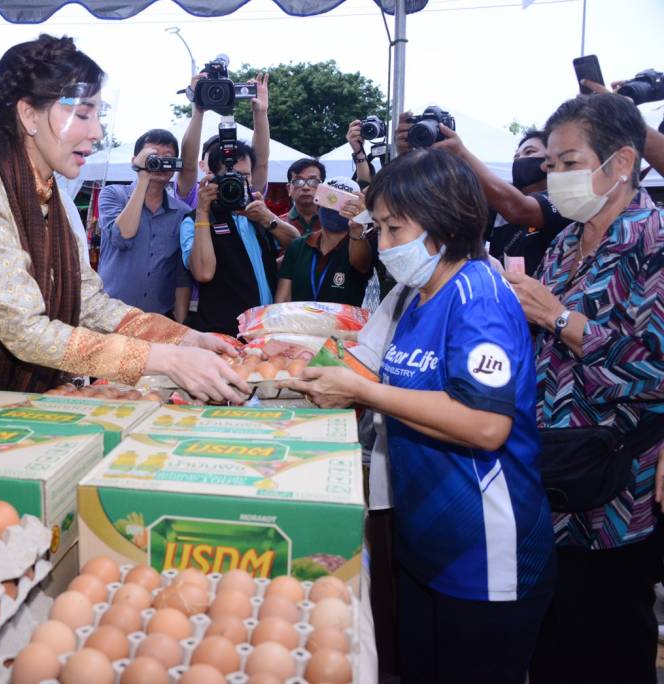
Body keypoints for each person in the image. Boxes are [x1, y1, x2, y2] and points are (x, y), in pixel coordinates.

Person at [283, 149, 555, 684]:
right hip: (427, 544)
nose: (383, 244)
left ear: (444, 223)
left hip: (484, 553)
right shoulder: (417, 295)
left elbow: (485, 424)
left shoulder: (479, 296)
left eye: (394, 229)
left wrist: (367, 392)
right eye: (379, 228)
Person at [0, 34, 250, 423]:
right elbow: (25, 330)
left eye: (99, 115)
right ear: (28, 115)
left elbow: (89, 302)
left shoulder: (46, 194)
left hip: (4, 407)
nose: (97, 132)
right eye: (83, 114)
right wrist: (166, 359)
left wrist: (185, 338)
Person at [502, 94, 664, 684]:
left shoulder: (655, 241)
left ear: (621, 163)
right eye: (550, 165)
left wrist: (559, 318)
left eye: (570, 163)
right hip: (549, 479)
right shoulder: (566, 243)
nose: (556, 177)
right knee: (550, 644)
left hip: (618, 492)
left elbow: (654, 370)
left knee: (608, 645)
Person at [181, 140, 300, 337]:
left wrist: (269, 219)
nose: (237, 182)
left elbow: (297, 245)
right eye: (230, 176)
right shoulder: (194, 220)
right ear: (212, 177)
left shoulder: (257, 212)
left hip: (266, 328)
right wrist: (203, 212)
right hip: (223, 334)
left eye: (245, 176)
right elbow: (203, 273)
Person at [429, 124, 571, 276]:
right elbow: (452, 215)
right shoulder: (498, 208)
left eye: (529, 152)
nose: (520, 160)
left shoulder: (564, 200)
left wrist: (461, 154)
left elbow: (519, 209)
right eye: (516, 157)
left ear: (549, 160)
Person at [97, 129, 191, 320]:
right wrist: (142, 179)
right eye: (153, 156)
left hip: (157, 318)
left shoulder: (182, 212)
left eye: (168, 157)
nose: (160, 163)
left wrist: (181, 323)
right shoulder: (113, 194)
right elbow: (122, 237)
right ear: (135, 161)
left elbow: (182, 276)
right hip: (110, 316)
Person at [176, 72, 271, 208]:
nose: (233, 180)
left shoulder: (250, 197)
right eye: (226, 173)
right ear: (209, 170)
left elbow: (260, 164)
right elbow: (188, 166)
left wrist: (260, 112)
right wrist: (198, 110)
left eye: (244, 175)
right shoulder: (198, 195)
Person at [276, 176, 374, 305]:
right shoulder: (298, 246)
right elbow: (282, 299)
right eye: (330, 200)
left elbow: (362, 264)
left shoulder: (359, 244)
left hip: (344, 319)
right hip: (299, 318)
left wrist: (357, 227)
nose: (335, 209)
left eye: (345, 203)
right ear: (318, 205)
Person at [284, 158, 326, 235]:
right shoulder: (278, 225)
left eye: (313, 181)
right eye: (298, 181)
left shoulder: (336, 223)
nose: (306, 187)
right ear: (289, 189)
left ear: (323, 188)